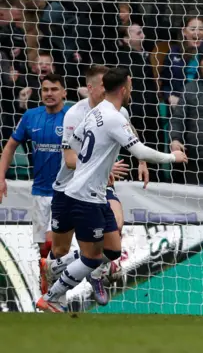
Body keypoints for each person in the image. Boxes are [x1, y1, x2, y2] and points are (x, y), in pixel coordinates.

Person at [36, 68, 187, 312]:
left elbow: (76, 143)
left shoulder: (97, 112)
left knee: (113, 250)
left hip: (91, 191)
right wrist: (173, 156)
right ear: (124, 89)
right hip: (85, 195)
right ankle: (52, 296)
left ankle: (56, 266)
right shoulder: (111, 117)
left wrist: (93, 163)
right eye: (131, 85)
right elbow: (139, 151)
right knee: (92, 257)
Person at [42, 66, 149, 306]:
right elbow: (70, 161)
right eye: (103, 84)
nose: (108, 88)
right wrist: (101, 167)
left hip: (99, 188)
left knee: (113, 239)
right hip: (68, 188)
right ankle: (57, 282)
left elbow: (130, 132)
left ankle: (96, 273)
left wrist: (141, 160)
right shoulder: (74, 114)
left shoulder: (117, 110)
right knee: (60, 250)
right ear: (90, 88)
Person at [0, 73, 69, 292]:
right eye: (45, 90)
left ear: (64, 92)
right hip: (39, 191)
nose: (49, 94)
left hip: (66, 191)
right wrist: (1, 177)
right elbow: (10, 146)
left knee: (53, 245)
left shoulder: (73, 116)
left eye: (54, 89)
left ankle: (57, 287)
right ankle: (49, 287)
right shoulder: (31, 116)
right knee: (44, 248)